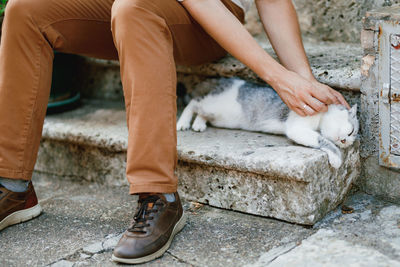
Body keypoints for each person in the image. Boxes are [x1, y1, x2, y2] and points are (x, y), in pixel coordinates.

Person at [0, 0, 349, 264]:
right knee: (24, 9)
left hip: (204, 18)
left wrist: (297, 79)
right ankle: (12, 187)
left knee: (134, 7)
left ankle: (158, 195)